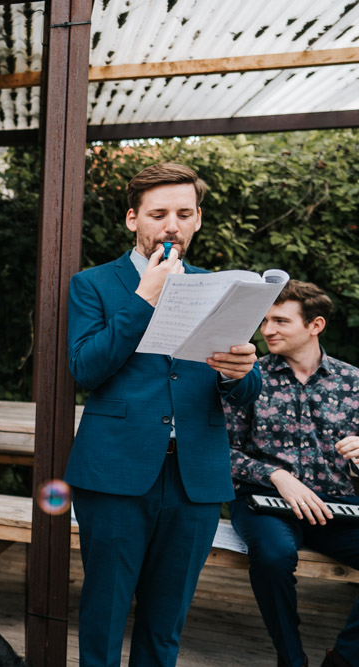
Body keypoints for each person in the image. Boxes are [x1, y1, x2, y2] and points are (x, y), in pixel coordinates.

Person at [65, 162, 261, 667]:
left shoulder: (221, 287)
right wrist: (144, 296)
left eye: (183, 213)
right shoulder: (93, 284)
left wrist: (240, 370)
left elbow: (245, 393)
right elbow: (85, 369)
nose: (171, 225)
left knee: (166, 622)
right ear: (133, 219)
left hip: (195, 476)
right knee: (103, 615)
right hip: (114, 473)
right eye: (158, 213)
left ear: (197, 220)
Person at [228, 280, 359, 667]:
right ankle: (292, 658)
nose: (267, 330)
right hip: (264, 503)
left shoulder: (354, 382)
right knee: (273, 556)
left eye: (281, 321)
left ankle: (345, 660)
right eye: (265, 320)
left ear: (315, 325)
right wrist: (275, 475)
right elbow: (221, 450)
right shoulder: (247, 377)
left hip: (337, 506)